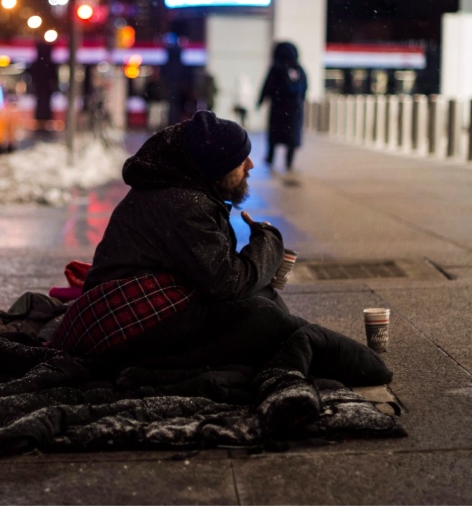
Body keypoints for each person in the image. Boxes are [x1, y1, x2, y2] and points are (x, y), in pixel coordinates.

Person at [49, 110, 392, 389]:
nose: (251, 167)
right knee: (264, 317)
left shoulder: (178, 191)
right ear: (215, 167)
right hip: (118, 328)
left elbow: (219, 279)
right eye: (241, 160)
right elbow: (225, 283)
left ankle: (331, 354)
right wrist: (268, 242)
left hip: (124, 317)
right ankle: (156, 372)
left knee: (262, 306)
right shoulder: (185, 206)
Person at [258, 41, 308, 172]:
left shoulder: (276, 68)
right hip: (294, 109)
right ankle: (289, 161)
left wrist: (261, 100)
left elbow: (267, 86)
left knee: (274, 135)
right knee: (292, 136)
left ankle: (270, 158)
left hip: (278, 108)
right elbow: (305, 88)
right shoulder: (298, 69)